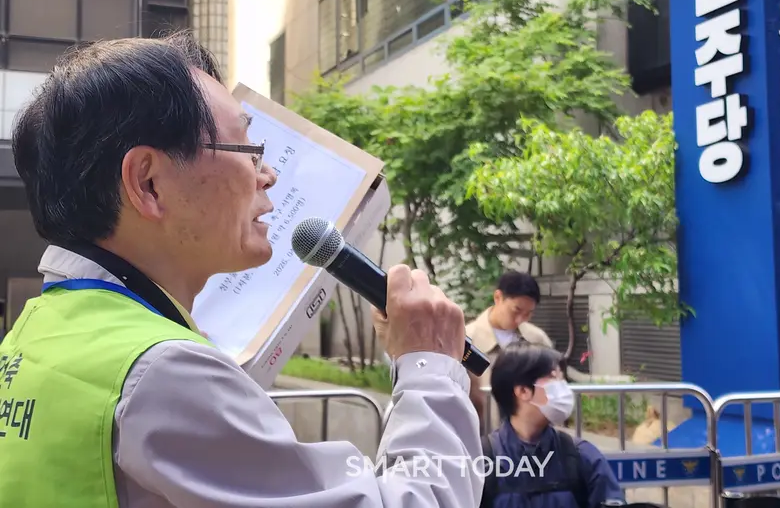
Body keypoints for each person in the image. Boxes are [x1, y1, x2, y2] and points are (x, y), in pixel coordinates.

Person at [0, 32, 483, 507]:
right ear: (148, 182)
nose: (268, 174)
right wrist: (430, 367)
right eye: (248, 150)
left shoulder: (35, 333)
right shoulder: (164, 373)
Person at [479, 342, 623, 508]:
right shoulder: (482, 460)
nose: (563, 388)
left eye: (562, 378)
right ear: (523, 391)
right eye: (554, 377)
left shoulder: (581, 456)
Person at [466, 271, 553, 429]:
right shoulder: (467, 340)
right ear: (498, 297)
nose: (520, 319)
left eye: (528, 314)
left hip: (530, 436)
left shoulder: (537, 339)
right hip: (483, 435)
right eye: (516, 310)